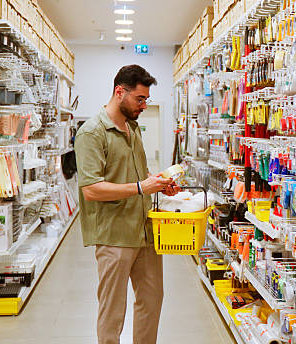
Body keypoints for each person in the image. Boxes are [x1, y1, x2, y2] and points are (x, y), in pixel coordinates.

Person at [75, 64, 180, 344]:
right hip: (114, 236)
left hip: (145, 231)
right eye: (140, 99)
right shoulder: (92, 133)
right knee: (112, 310)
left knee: (152, 300)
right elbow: (91, 189)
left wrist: (157, 181)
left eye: (146, 99)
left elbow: (137, 173)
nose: (144, 105)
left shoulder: (133, 127)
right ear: (119, 92)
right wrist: (139, 187)